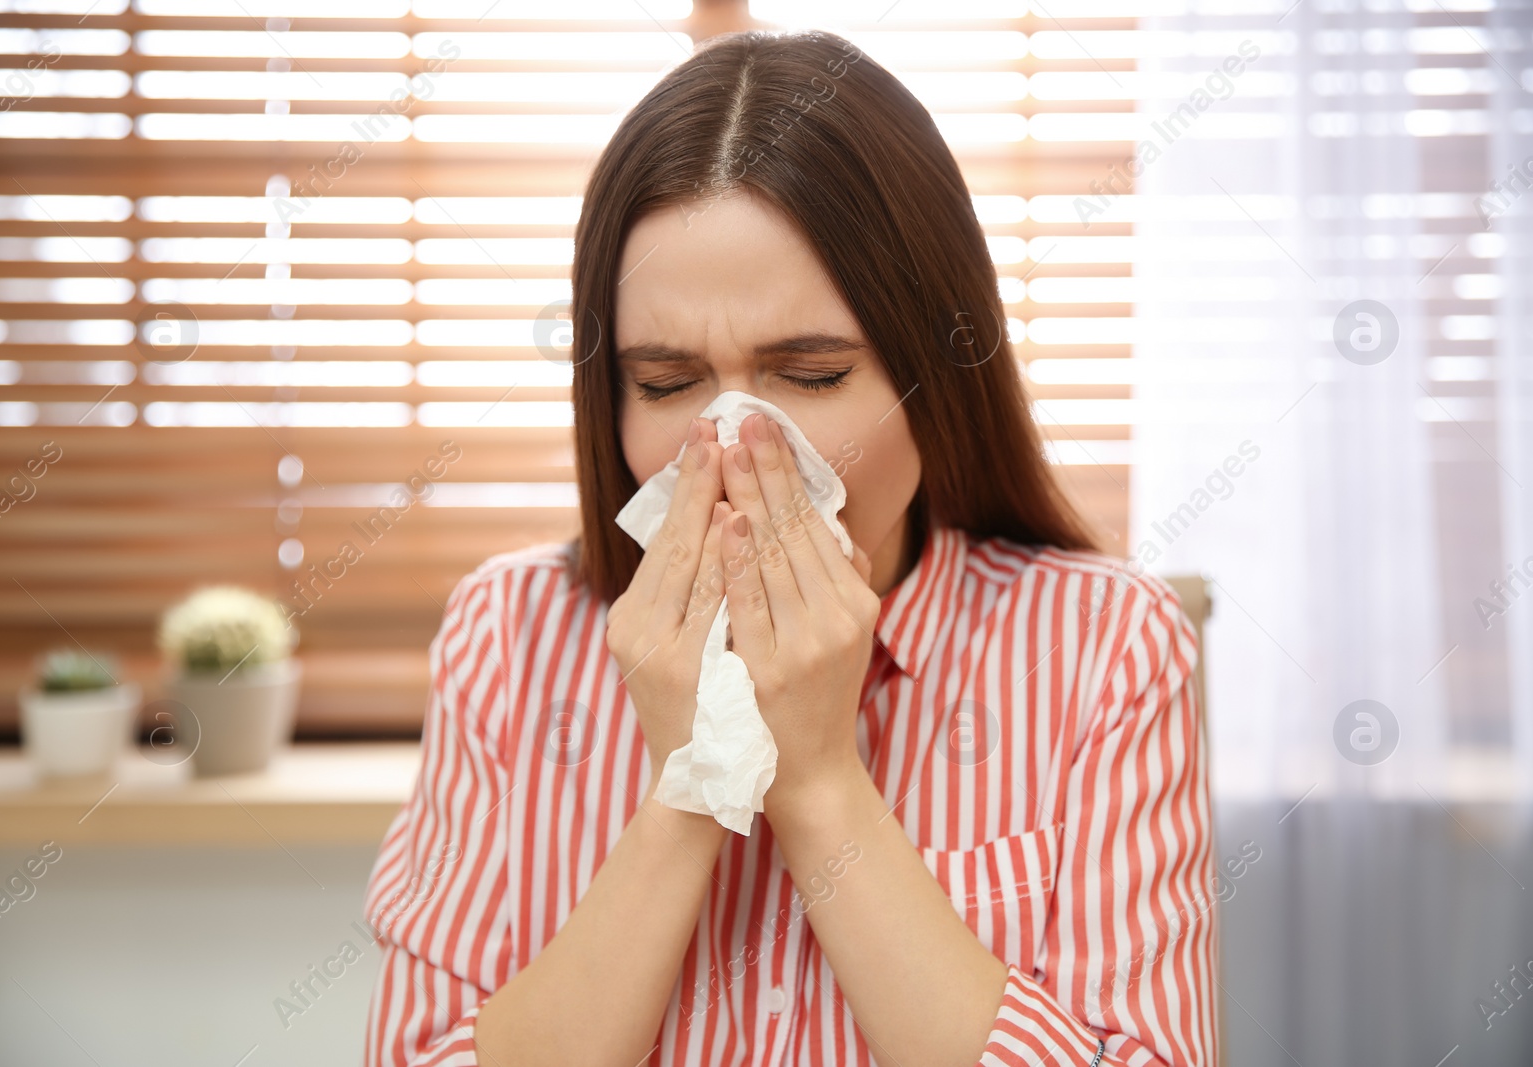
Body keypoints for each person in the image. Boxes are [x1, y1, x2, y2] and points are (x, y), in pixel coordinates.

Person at [363, 28, 1216, 1067]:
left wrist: (816, 780)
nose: (732, 446)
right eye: (668, 384)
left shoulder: (1104, 646)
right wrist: (693, 775)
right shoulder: (508, 636)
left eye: (811, 375)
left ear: (935, 374)